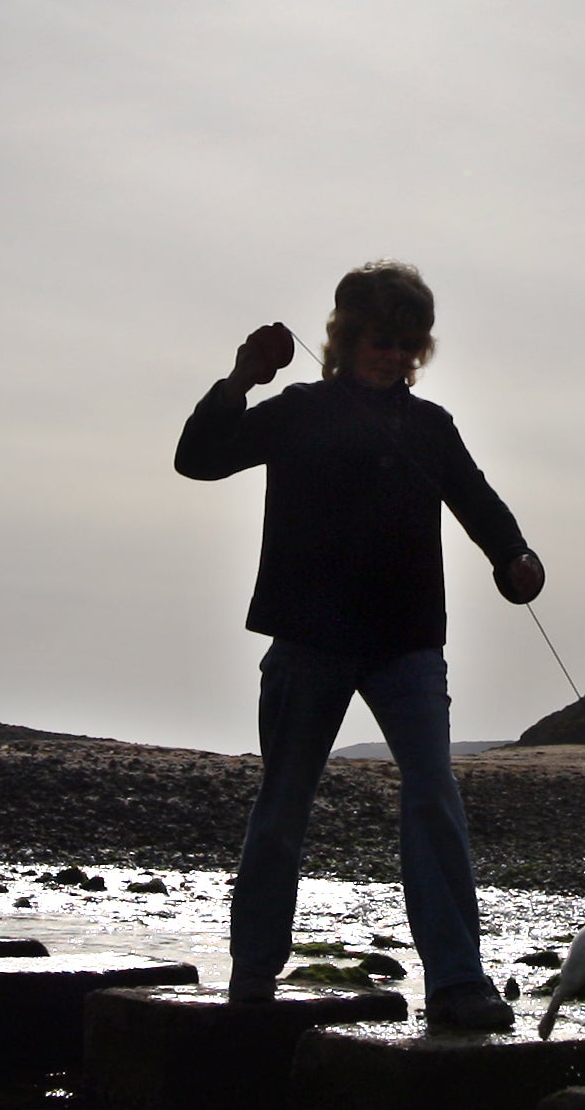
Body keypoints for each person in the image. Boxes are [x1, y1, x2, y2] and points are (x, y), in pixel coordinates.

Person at [175, 260, 543, 1032]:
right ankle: (252, 976)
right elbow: (198, 459)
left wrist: (514, 556)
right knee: (281, 804)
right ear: (345, 336)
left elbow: (478, 502)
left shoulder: (430, 426)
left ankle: (456, 981)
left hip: (406, 643)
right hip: (306, 639)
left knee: (433, 795)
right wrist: (241, 377)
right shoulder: (297, 409)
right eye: (382, 338)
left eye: (409, 343)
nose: (395, 353)